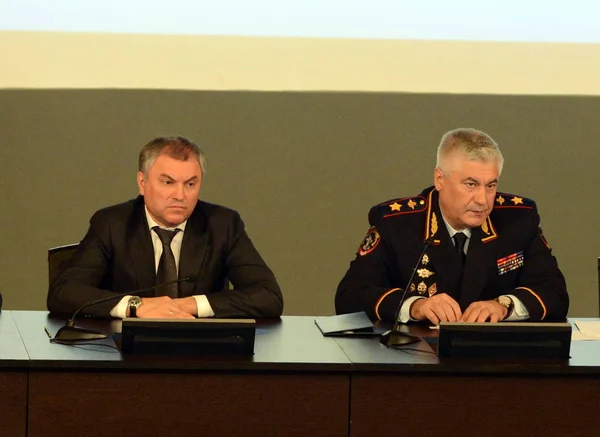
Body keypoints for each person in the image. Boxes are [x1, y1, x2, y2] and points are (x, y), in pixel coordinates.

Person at [336, 128, 568, 324]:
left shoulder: (518, 218)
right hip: (417, 361)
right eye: (471, 184)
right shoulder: (396, 223)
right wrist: (415, 306)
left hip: (497, 361)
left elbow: (555, 293)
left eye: (491, 185)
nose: (483, 199)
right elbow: (350, 296)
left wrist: (504, 306)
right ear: (439, 179)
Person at [48, 136, 283, 319]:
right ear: (142, 182)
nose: (180, 195)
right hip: (124, 356)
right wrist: (136, 305)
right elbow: (64, 292)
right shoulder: (112, 224)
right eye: (168, 182)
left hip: (203, 355)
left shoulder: (223, 225)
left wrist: (188, 305)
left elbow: (268, 295)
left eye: (190, 184)